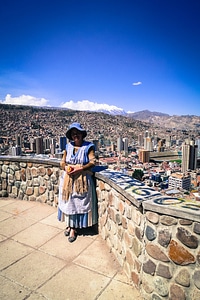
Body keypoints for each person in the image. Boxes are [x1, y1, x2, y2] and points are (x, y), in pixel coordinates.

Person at [58, 122, 97, 243]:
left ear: (82, 134)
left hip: (82, 181)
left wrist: (80, 168)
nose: (76, 136)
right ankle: (70, 225)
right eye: (73, 133)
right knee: (68, 202)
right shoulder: (68, 147)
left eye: (78, 133)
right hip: (68, 180)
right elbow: (62, 162)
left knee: (78, 202)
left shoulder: (88, 147)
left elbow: (92, 162)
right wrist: (66, 168)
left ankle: (74, 229)